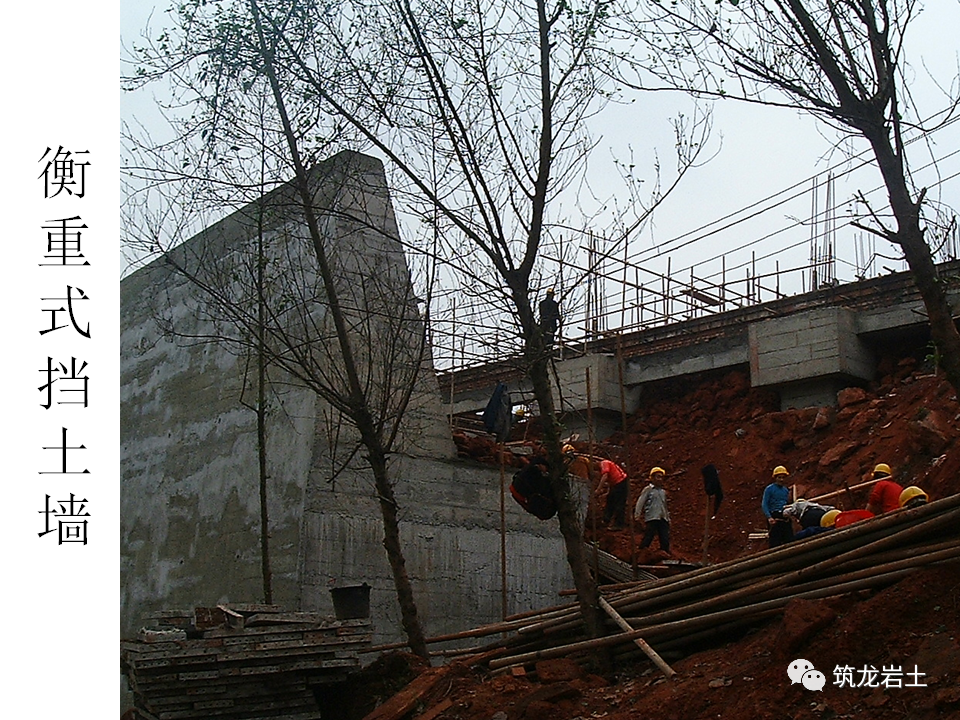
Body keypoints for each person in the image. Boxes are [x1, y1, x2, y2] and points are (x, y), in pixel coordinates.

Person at [635, 467, 671, 552]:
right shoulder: (648, 490)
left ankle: (664, 554)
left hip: (663, 517)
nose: (660, 479)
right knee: (649, 535)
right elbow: (641, 502)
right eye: (658, 477)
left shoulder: (663, 492)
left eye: (661, 477)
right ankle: (641, 552)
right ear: (652, 478)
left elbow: (664, 506)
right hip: (652, 517)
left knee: (664, 538)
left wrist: (668, 518)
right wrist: (637, 515)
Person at [762, 465, 794, 548]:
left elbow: (786, 503)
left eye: (783, 477)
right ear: (775, 478)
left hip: (784, 516)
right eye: (779, 477)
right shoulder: (769, 489)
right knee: (775, 542)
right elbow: (764, 504)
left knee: (789, 540)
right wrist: (769, 517)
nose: (781, 480)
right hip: (774, 517)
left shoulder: (785, 490)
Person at [597, 457, 629, 528]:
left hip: (620, 483)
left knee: (619, 504)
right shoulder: (610, 464)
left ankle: (618, 524)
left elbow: (605, 476)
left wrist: (598, 489)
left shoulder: (604, 463)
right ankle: (606, 519)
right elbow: (610, 480)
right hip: (618, 483)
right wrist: (608, 492)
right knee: (610, 500)